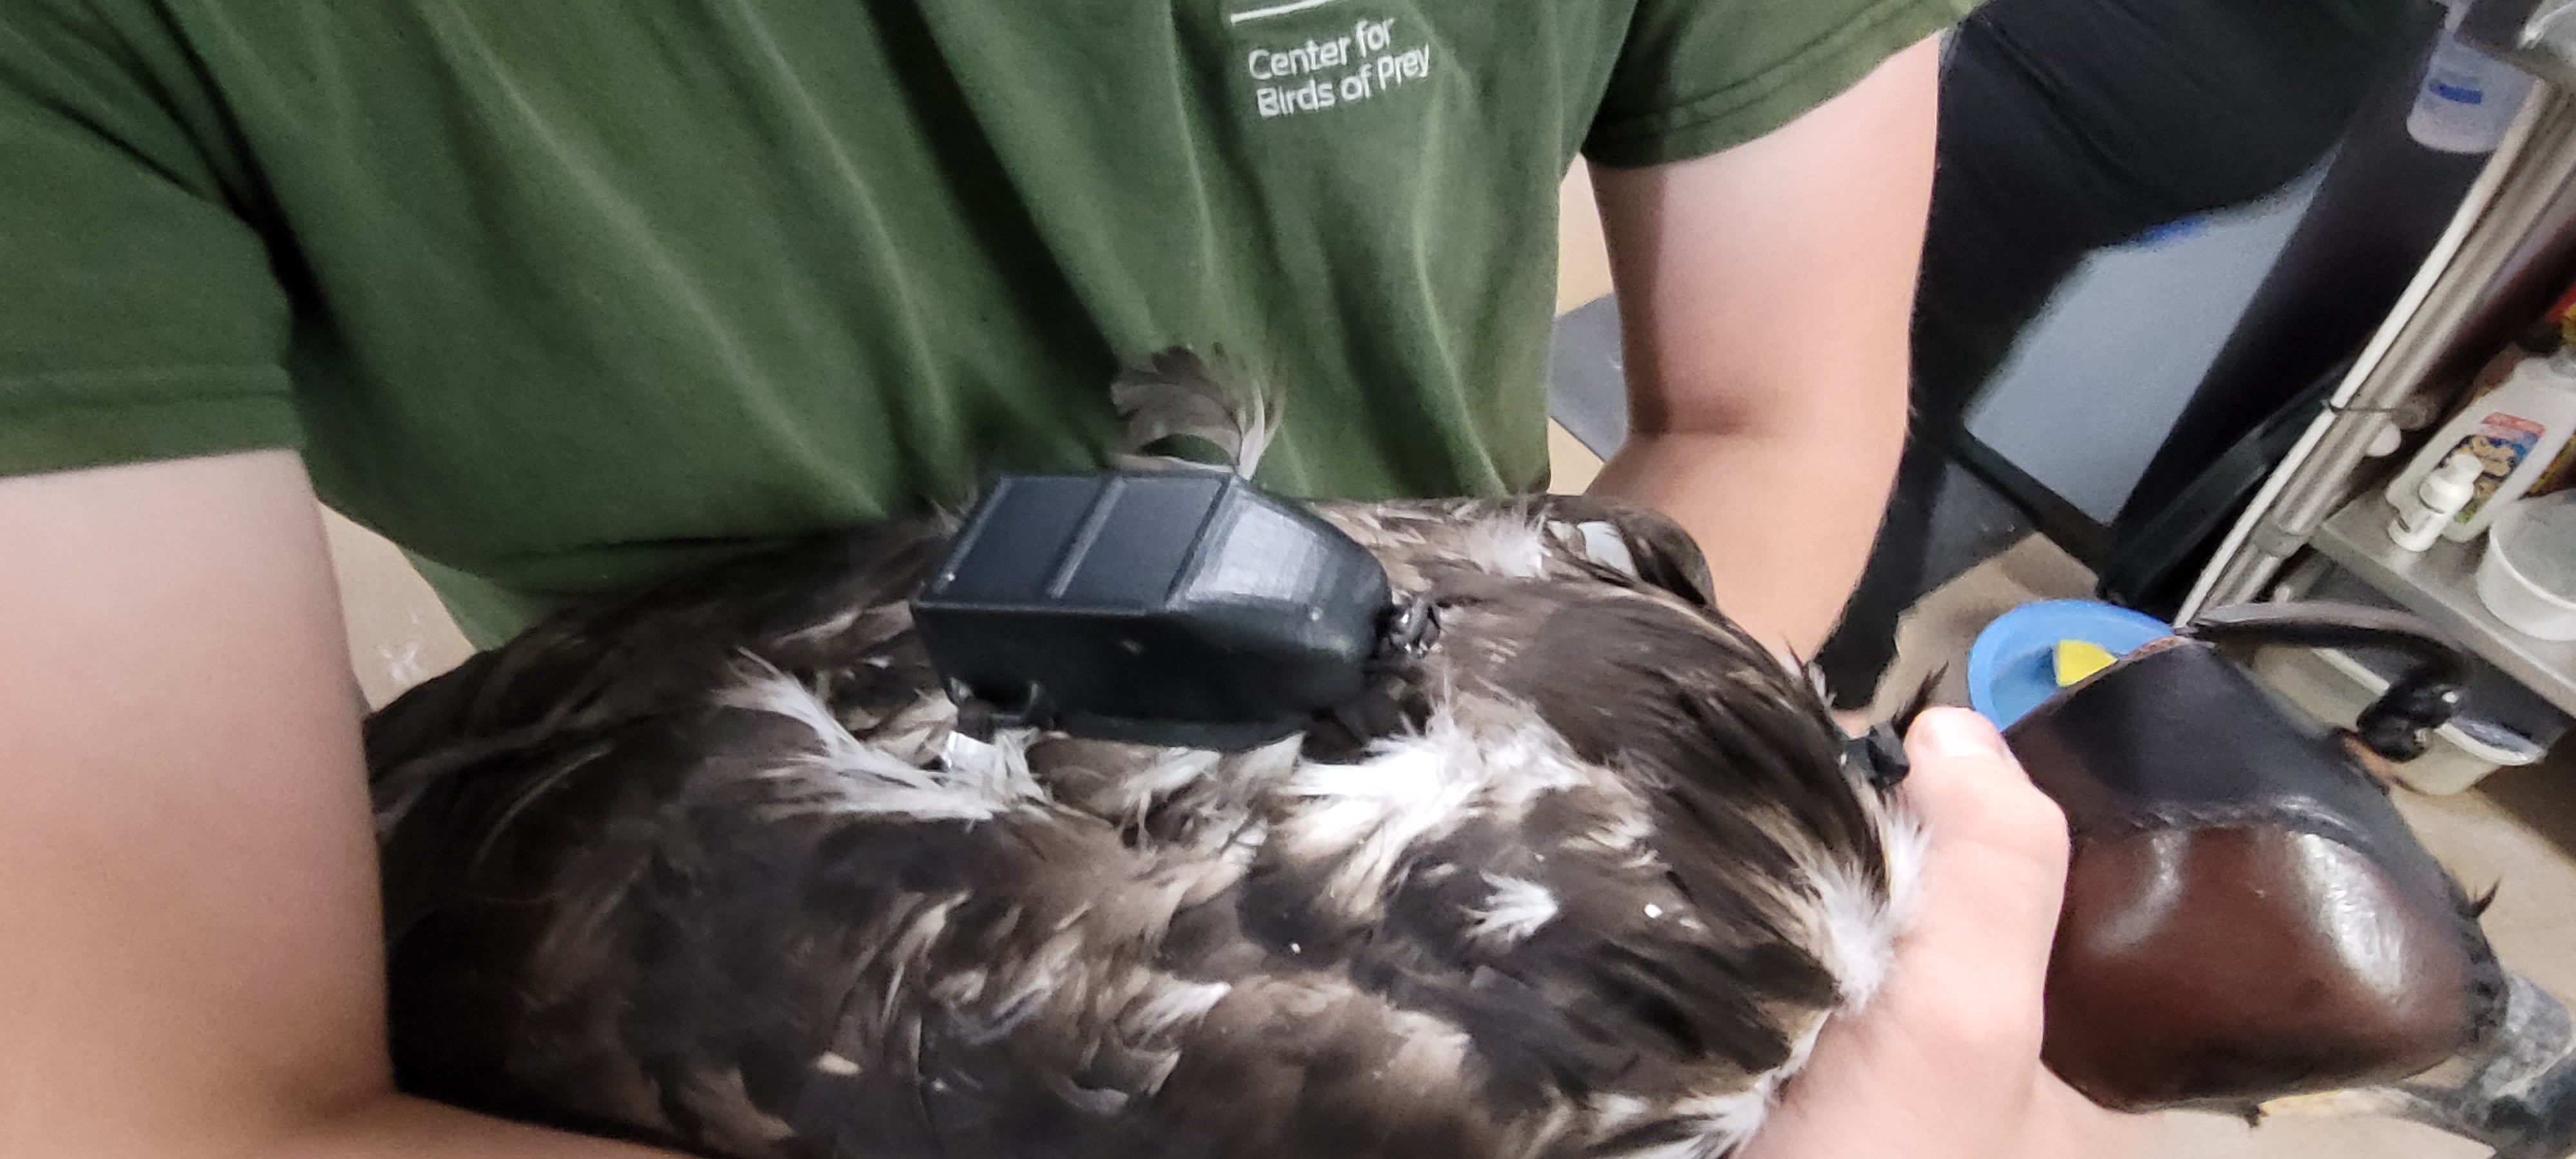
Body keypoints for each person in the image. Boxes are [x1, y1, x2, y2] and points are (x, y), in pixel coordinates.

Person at [0, 3, 2129, 1155]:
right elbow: (171, 1114)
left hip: (1430, 787)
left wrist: (1600, 890)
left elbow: (1773, 412)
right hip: (676, 923)